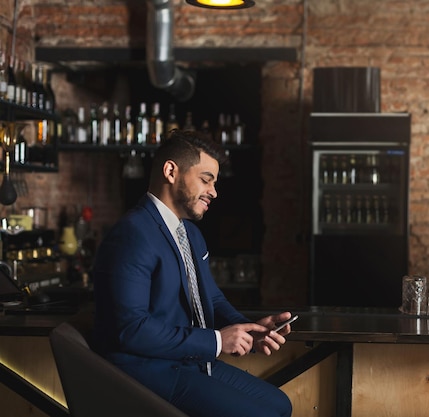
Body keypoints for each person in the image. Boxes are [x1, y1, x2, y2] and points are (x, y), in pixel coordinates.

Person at [91, 129, 293, 417]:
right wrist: (219, 341)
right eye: (205, 180)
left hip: (190, 362)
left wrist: (250, 330)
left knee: (280, 405)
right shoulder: (132, 234)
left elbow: (211, 296)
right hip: (148, 371)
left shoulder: (191, 234)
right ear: (171, 171)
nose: (213, 191)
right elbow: (130, 329)